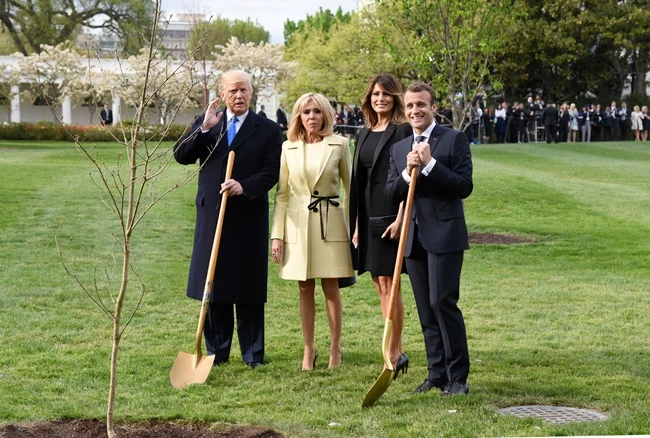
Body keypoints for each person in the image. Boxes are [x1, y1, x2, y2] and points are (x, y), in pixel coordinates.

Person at [173, 70, 282, 368]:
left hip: (248, 214)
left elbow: (272, 171)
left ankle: (252, 354)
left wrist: (244, 186)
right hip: (212, 214)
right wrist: (203, 129)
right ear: (222, 94)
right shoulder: (209, 123)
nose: (239, 96)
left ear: (251, 92)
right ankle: (216, 353)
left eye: (244, 90)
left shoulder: (269, 130)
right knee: (214, 281)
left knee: (247, 284)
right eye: (233, 91)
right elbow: (180, 155)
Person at [385, 82, 473, 395]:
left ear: (433, 107)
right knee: (425, 308)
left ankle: (457, 377)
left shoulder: (453, 140)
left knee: (442, 303)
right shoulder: (399, 148)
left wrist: (431, 164)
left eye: (421, 105)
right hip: (413, 238)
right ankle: (436, 373)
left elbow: (464, 186)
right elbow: (391, 191)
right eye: (409, 106)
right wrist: (409, 172)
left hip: (445, 235)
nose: (415, 111)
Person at [270, 92, 353, 370]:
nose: (312, 117)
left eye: (317, 112)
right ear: (298, 116)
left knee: (331, 287)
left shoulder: (340, 144)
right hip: (296, 225)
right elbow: (281, 195)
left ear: (326, 115)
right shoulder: (288, 147)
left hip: (331, 223)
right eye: (306, 112)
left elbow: (350, 190)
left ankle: (335, 349)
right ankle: (308, 350)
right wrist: (277, 235)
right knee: (304, 288)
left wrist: (354, 230)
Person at [349, 73, 412, 378]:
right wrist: (358, 224)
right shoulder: (364, 133)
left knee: (391, 283)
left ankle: (394, 351)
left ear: (395, 98)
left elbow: (406, 178)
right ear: (369, 98)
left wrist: (401, 218)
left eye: (387, 94)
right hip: (368, 213)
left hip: (391, 212)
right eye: (376, 94)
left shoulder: (402, 132)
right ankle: (393, 349)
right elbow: (359, 182)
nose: (381, 99)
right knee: (378, 283)